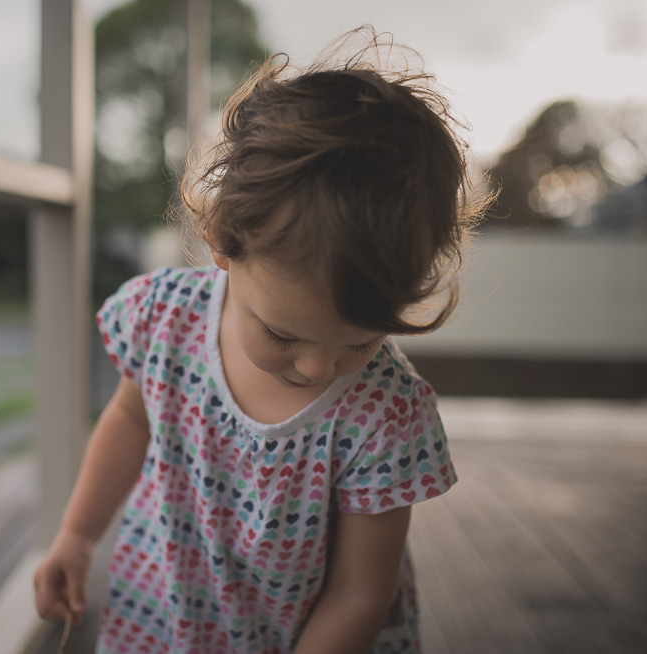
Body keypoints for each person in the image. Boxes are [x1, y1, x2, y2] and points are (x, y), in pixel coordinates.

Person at [35, 26, 489, 654]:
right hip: (161, 614)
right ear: (224, 241)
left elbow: (360, 594)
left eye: (360, 343)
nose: (319, 366)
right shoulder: (165, 322)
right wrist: (78, 536)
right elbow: (130, 421)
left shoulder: (385, 415)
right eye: (283, 333)